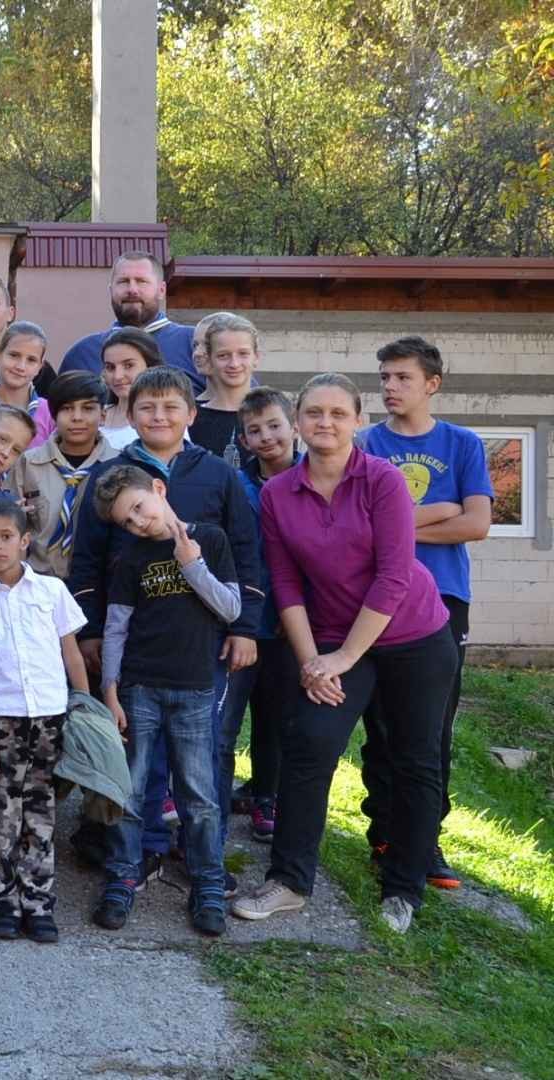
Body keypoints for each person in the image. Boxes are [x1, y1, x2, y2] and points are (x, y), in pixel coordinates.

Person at [233, 374, 458, 935]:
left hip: (413, 638)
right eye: (313, 413)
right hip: (330, 637)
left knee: (414, 759)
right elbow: (284, 583)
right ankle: (288, 881)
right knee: (308, 745)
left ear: (357, 420)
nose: (324, 423)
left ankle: (403, 888)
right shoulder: (278, 494)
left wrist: (343, 659)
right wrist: (314, 661)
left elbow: (393, 578)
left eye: (337, 413)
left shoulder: (382, 481)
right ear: (300, 421)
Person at [69, 366, 262, 880]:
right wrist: (89, 631)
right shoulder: (110, 478)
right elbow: (86, 558)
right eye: (147, 407)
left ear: (191, 414)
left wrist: (246, 629)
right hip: (136, 642)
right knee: (141, 752)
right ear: (130, 415)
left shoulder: (218, 475)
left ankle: (205, 854)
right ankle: (145, 845)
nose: (159, 416)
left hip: (207, 641)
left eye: (171, 407)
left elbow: (245, 551)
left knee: (210, 749)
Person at [357, 337, 492, 891]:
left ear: (432, 383)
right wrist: (439, 510)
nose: (390, 387)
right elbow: (362, 529)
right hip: (378, 599)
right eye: (385, 377)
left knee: (432, 728)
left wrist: (401, 522)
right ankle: (384, 830)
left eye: (402, 378)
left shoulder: (461, 443)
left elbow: (477, 523)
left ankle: (425, 838)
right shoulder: (365, 443)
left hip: (443, 600)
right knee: (381, 723)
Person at [90, 465, 241, 936]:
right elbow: (116, 626)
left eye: (138, 508)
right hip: (140, 688)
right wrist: (110, 689)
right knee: (130, 791)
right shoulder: (132, 557)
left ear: (159, 489)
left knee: (198, 795)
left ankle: (208, 882)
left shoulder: (211, 540)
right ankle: (122, 876)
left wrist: (192, 564)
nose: (137, 522)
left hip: (195, 687)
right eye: (126, 521)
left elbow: (231, 608)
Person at [0, 500, 88, 942]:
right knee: (2, 814)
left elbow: (71, 653)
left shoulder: (51, 592)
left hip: (49, 716)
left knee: (41, 811)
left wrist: (85, 708)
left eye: (6, 537)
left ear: (25, 541)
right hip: (1, 720)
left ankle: (38, 902)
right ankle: (5, 903)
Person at [230, 386, 300, 841]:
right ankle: (215, 794)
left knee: (276, 717)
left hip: (293, 622)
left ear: (295, 428)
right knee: (229, 715)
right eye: (254, 431)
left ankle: (267, 796)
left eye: (274, 425)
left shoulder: (315, 477)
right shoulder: (237, 485)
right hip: (243, 619)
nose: (266, 436)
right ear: (243, 441)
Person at [19, 372, 118, 578]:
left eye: (88, 408)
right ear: (53, 415)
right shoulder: (28, 464)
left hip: (96, 583)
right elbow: (11, 524)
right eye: (66, 409)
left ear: (103, 415)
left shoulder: (117, 466)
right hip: (38, 580)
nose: (77, 417)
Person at [58, 250, 200, 390]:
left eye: (141, 281)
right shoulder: (82, 354)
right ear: (110, 290)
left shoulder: (195, 344)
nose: (132, 290)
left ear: (161, 290)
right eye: (123, 281)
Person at [190, 314, 258, 467]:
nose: (234, 364)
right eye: (223, 355)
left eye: (243, 354)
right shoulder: (190, 417)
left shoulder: (272, 411)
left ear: (256, 357)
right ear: (211, 358)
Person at [97, 327, 163, 450]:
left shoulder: (164, 418)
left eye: (128, 365)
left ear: (150, 366)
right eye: (110, 367)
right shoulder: (94, 414)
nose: (118, 376)